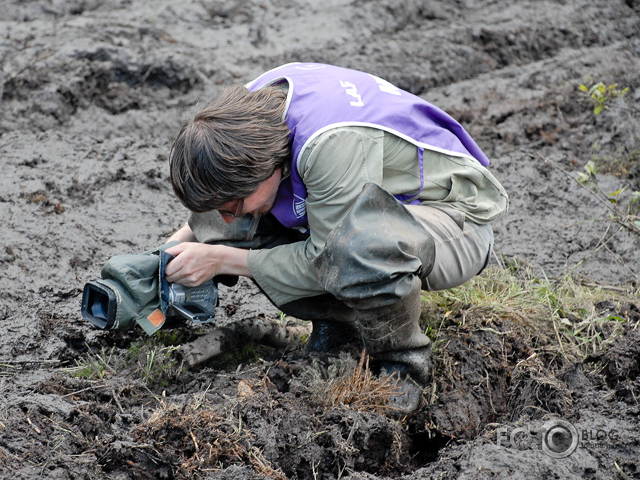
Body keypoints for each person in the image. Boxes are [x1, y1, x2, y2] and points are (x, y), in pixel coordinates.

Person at [163, 62, 508, 412]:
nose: (227, 216)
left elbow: (328, 257)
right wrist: (174, 246)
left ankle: (402, 368)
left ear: (263, 166)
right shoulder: (248, 119)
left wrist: (222, 259)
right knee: (249, 217)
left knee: (361, 248)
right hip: (375, 206)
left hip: (456, 222)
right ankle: (341, 331)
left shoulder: (329, 143)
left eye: (232, 204)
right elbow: (223, 209)